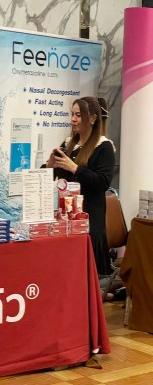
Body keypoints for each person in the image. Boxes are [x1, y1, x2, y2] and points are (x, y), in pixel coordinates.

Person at [45, 96, 115, 276]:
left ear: (93, 118)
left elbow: (103, 182)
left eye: (78, 115)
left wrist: (75, 168)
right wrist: (50, 165)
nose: (73, 119)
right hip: (67, 216)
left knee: (88, 276)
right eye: (72, 114)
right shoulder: (69, 144)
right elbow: (52, 176)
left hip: (90, 217)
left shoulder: (104, 146)